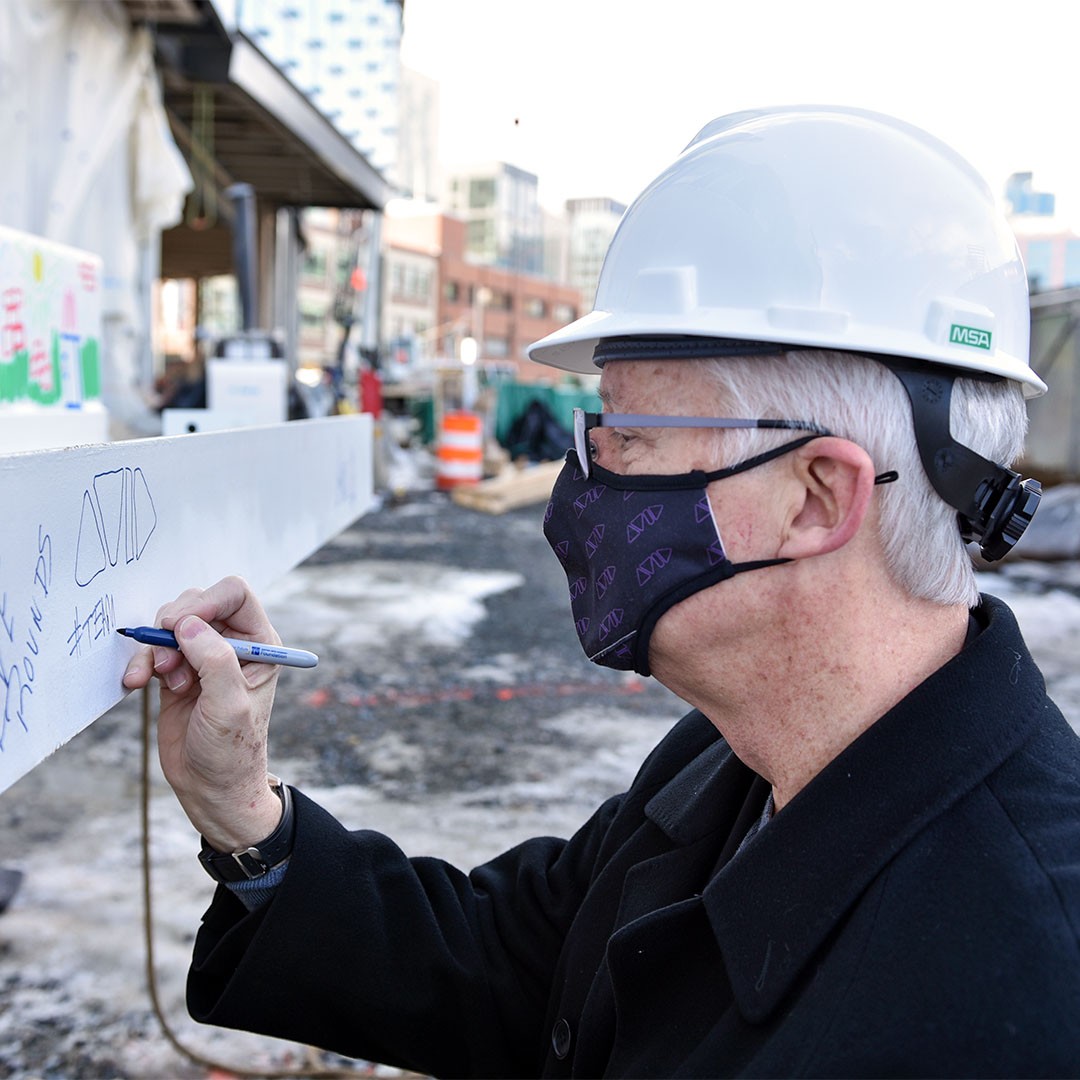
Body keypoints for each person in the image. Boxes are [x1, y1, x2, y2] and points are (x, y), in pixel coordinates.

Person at [123, 107, 1080, 1077]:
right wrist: (243, 811)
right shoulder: (744, 753)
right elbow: (524, 965)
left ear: (816, 495)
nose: (586, 476)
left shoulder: (1010, 991)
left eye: (630, 438)